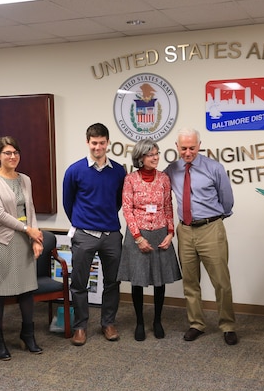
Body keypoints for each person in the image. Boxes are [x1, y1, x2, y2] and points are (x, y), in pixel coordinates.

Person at [164, 128, 238, 346]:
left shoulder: (214, 168)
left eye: (192, 148)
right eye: (184, 148)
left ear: (199, 145)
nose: (188, 152)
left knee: (221, 281)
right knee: (190, 281)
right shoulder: (172, 169)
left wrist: (212, 221)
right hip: (184, 231)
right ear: (177, 147)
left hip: (210, 228)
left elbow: (227, 201)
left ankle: (228, 325)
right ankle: (196, 323)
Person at [62, 122, 126, 346]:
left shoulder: (118, 171)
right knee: (79, 283)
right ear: (87, 142)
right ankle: (80, 327)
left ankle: (108, 323)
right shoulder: (74, 170)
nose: (97, 147)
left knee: (112, 282)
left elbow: (118, 201)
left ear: (108, 143)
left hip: (111, 235)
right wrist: (81, 222)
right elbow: (68, 203)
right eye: (94, 143)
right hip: (84, 234)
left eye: (101, 143)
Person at [0, 136, 45, 360]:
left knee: (28, 290)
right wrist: (28, 230)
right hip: (4, 240)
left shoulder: (25, 179)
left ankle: (28, 335)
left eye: (15, 152)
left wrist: (36, 238)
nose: (12, 157)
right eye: (7, 153)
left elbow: (31, 210)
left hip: (25, 241)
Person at [117, 139, 182, 341]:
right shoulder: (130, 179)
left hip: (160, 233)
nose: (155, 157)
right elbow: (128, 209)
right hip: (138, 235)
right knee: (138, 280)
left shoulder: (163, 178)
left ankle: (157, 321)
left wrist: (171, 233)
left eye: (156, 153)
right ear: (140, 157)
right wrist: (138, 237)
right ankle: (139, 322)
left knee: (159, 280)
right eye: (150, 154)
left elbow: (168, 207)